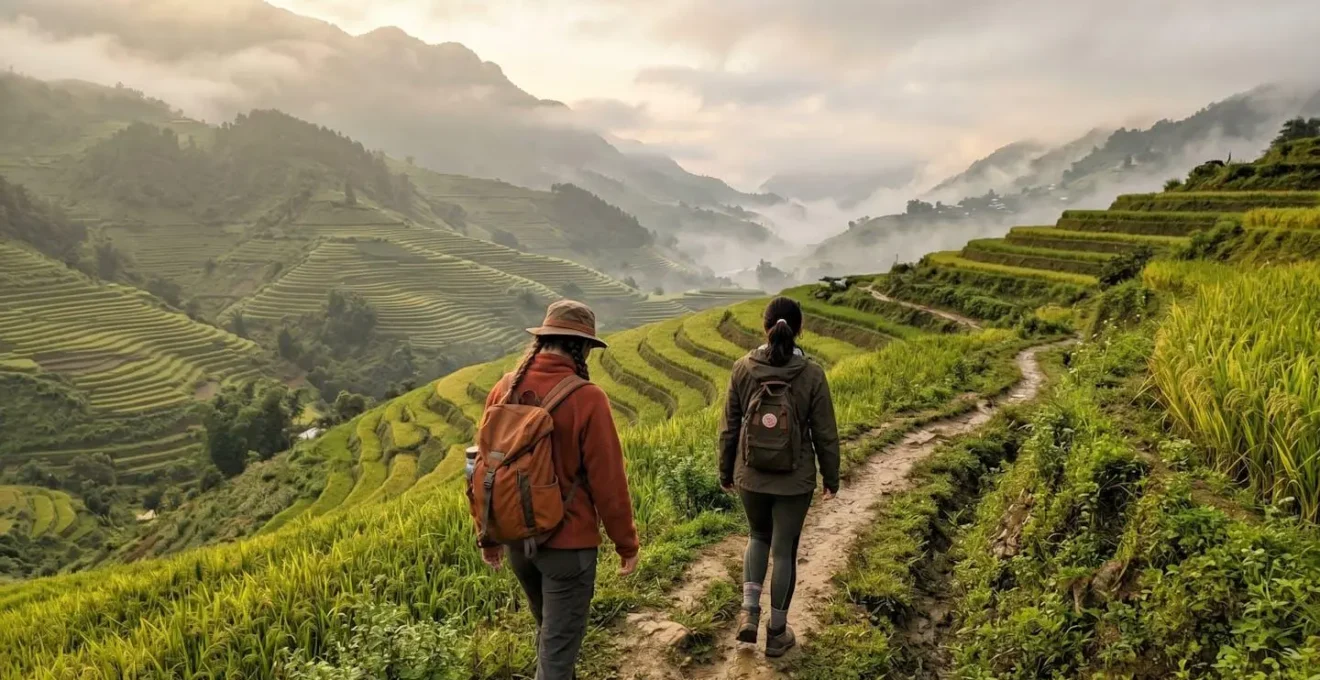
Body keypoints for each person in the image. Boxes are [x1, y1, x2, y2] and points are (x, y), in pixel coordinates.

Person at [474, 300, 640, 680]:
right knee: (558, 654)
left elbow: (483, 468)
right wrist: (626, 544)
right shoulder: (587, 398)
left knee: (550, 639)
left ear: (543, 340)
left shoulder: (503, 388)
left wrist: (488, 536)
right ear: (581, 347)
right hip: (569, 548)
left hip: (517, 541)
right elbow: (609, 484)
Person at [718, 295, 841, 658]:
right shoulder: (812, 374)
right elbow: (825, 433)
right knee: (784, 550)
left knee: (757, 536)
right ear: (800, 329)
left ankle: (749, 615)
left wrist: (726, 471)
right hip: (794, 479)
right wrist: (831, 478)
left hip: (750, 476)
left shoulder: (743, 368)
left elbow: (729, 428)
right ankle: (777, 633)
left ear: (764, 326)